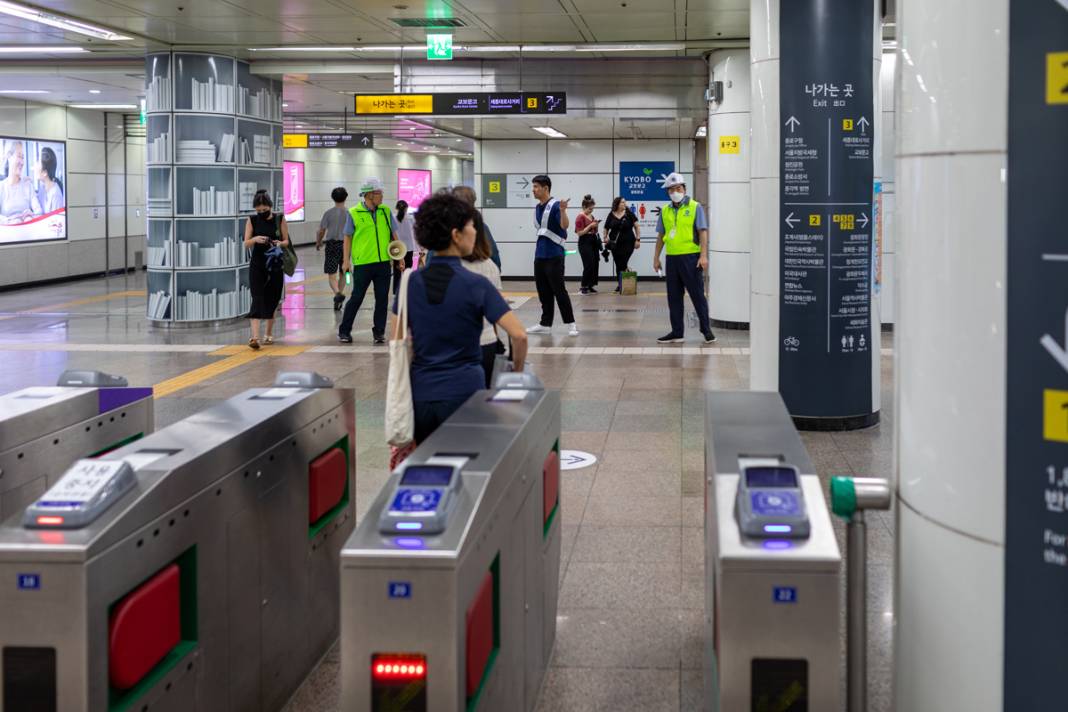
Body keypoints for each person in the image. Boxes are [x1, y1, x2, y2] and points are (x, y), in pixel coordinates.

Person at [395, 192, 528, 443]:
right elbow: (519, 335)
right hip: (464, 391)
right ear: (456, 236)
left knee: (429, 465)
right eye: (469, 226)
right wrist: (517, 374)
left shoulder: (409, 283)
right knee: (466, 465)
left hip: (421, 394)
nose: (475, 231)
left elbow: (398, 338)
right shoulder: (476, 284)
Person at [651, 173, 715, 344]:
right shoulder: (665, 210)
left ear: (684, 189)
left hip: (691, 258)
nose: (675, 192)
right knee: (674, 297)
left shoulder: (695, 207)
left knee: (697, 295)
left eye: (678, 188)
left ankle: (706, 329)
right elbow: (661, 236)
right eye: (671, 190)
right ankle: (677, 332)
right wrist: (656, 258)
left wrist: (703, 255)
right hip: (672, 259)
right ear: (668, 192)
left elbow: (702, 231)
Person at [338, 177, 402, 344]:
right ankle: (344, 331)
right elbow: (347, 237)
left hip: (383, 263)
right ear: (368, 195)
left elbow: (394, 236)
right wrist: (346, 261)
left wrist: (399, 257)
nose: (381, 196)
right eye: (378, 193)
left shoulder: (385, 212)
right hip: (362, 264)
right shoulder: (354, 212)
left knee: (382, 299)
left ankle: (379, 332)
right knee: (356, 297)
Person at [527, 175, 578, 336]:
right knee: (543, 291)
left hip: (554, 255)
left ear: (546, 188)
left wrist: (563, 211)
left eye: (536, 187)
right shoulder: (537, 208)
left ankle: (571, 324)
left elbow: (564, 226)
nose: (533, 190)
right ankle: (545, 323)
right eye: (533, 187)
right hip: (539, 256)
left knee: (559, 290)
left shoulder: (556, 206)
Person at [461, 216, 507, 387]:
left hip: (451, 347)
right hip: (484, 342)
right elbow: (518, 335)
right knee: (484, 401)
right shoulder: (489, 267)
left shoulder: (426, 275)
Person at [243, 189, 289, 349]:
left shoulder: (279, 219)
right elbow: (246, 242)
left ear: (270, 206)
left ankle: (268, 333)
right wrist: (255, 239)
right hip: (257, 264)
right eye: (259, 210)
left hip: (274, 263)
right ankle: (254, 337)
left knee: (272, 298)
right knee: (256, 297)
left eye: (264, 210)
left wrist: (278, 243)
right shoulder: (252, 220)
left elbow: (286, 241)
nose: (262, 212)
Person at [316, 186, 354, 311]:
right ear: (346, 197)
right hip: (345, 246)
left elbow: (321, 230)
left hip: (332, 245)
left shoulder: (328, 213)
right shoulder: (350, 213)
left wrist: (319, 242)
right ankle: (340, 294)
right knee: (345, 272)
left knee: (331, 275)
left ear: (333, 198)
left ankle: (337, 293)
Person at [451, 185, 501, 269]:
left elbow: (433, 256)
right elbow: (493, 254)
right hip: (480, 271)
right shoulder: (481, 225)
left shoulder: (444, 225)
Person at [603, 196, 641, 293]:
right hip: (614, 244)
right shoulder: (611, 215)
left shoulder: (629, 214)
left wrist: (638, 239)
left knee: (623, 262)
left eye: (625, 202)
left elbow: (637, 226)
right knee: (618, 263)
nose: (624, 204)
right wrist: (605, 237)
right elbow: (606, 227)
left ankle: (624, 283)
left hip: (629, 243)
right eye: (622, 202)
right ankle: (620, 284)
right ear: (617, 204)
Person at [0, 140, 41, 224]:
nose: (22, 162)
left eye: (23, 157)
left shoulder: (28, 185)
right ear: (9, 157)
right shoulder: (1, 187)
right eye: (19, 156)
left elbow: (39, 211)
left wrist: (32, 215)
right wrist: (10, 220)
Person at [575, 194, 601, 295]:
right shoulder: (579, 217)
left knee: (595, 263)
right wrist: (591, 225)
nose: (591, 211)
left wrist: (596, 225)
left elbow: (593, 229)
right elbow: (579, 232)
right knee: (588, 264)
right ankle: (583, 286)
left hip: (593, 240)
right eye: (590, 209)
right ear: (584, 207)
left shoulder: (591, 216)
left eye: (593, 209)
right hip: (584, 242)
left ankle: (590, 285)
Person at [392, 199, 416, 295]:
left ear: (396, 208)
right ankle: (407, 291)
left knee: (397, 271)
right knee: (408, 271)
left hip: (397, 247)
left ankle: (396, 292)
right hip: (408, 248)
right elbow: (415, 233)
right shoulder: (411, 218)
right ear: (407, 209)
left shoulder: (392, 218)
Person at [35, 147, 64, 214]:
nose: (35, 166)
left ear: (45, 172)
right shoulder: (42, 188)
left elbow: (57, 222)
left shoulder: (55, 195)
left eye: (38, 162)